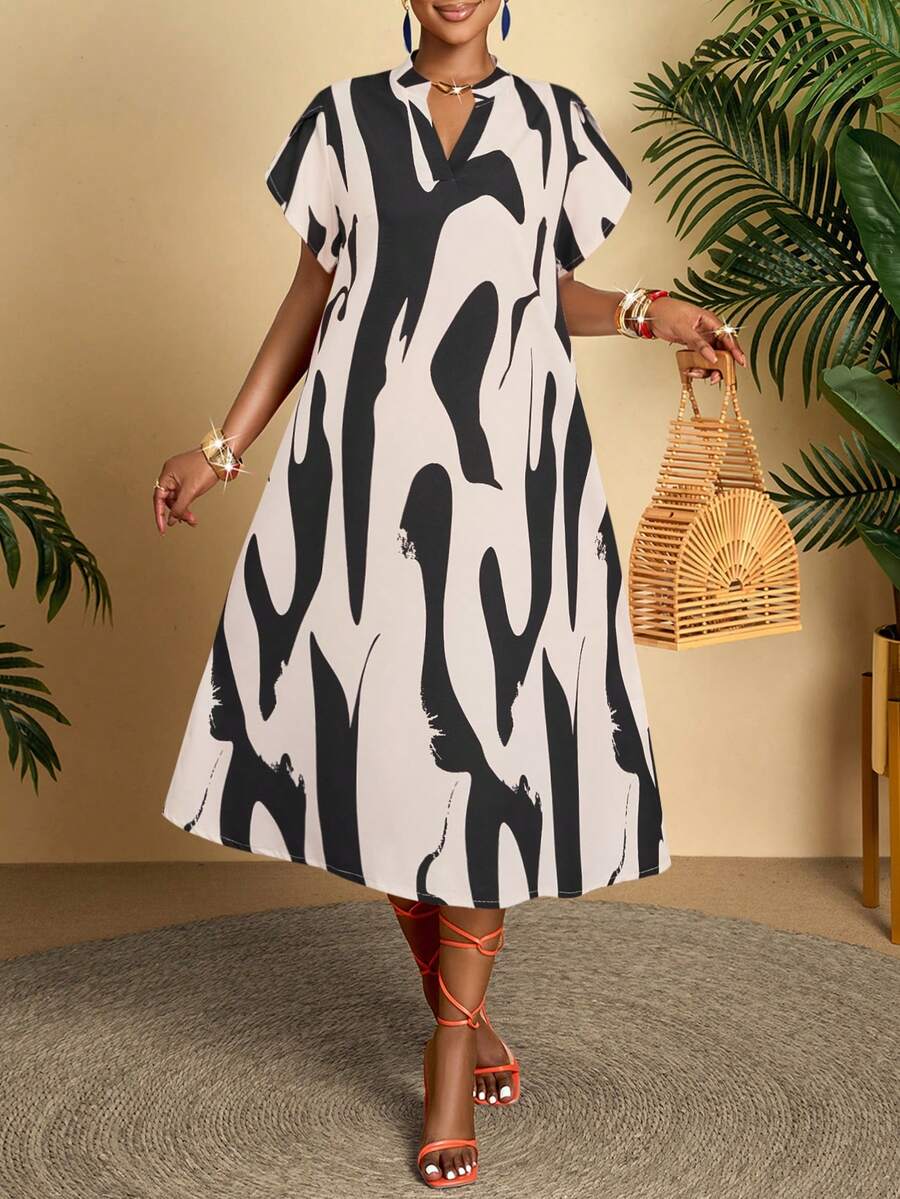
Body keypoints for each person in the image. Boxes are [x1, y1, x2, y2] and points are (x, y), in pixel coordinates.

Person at [154, 0, 746, 1187]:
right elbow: (310, 300)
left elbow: (543, 290)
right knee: (383, 761)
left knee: (483, 760)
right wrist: (221, 448)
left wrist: (649, 311)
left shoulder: (554, 124)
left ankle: (448, 1051)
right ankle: (465, 1005)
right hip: (361, 481)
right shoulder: (343, 119)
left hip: (510, 485)